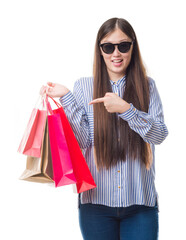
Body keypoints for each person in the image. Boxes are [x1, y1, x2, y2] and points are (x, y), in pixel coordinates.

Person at [40, 17, 168, 240]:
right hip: (95, 205)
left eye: (123, 46)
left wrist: (127, 110)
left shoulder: (148, 86)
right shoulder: (84, 86)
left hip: (140, 205)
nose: (115, 54)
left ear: (133, 48)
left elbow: (159, 135)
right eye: (108, 47)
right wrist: (67, 98)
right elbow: (82, 142)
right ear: (100, 50)